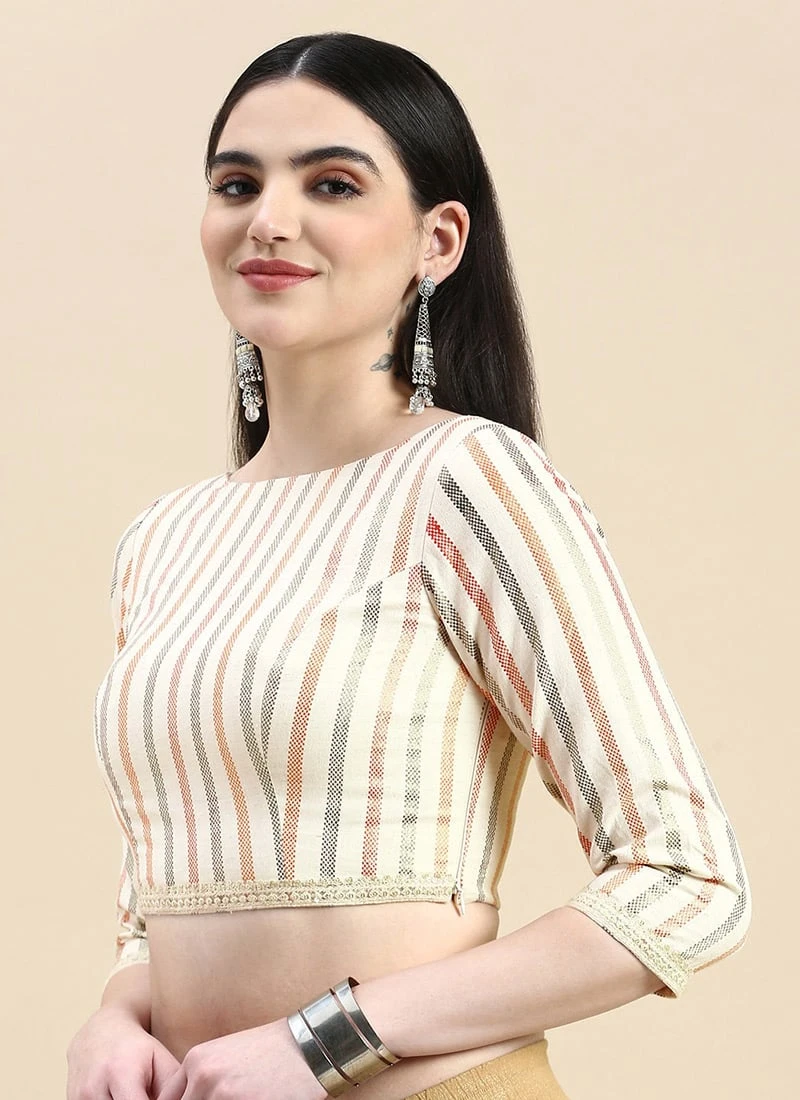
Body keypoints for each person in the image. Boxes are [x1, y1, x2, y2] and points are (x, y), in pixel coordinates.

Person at [66, 31, 752, 1100]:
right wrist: (114, 1015)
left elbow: (687, 878)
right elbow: (161, 884)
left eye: (331, 184)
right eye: (236, 184)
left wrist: (321, 1041)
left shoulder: (467, 481)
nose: (269, 220)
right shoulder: (165, 537)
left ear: (437, 240)